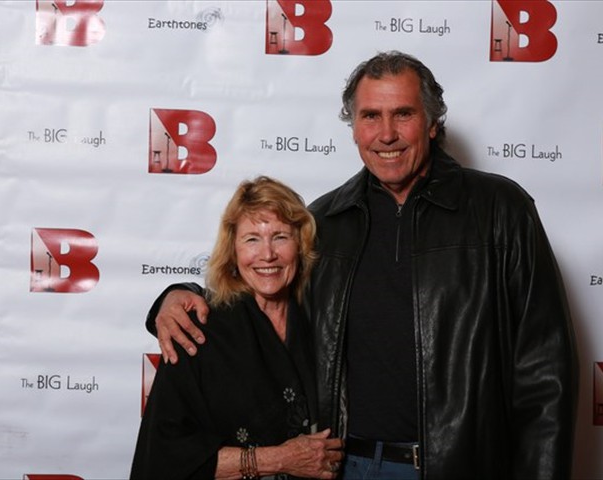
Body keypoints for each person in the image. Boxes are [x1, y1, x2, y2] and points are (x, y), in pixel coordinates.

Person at [145, 51, 579, 480]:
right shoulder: (325, 222)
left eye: (403, 114)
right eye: (371, 116)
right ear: (353, 128)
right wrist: (179, 295)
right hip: (349, 467)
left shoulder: (500, 211)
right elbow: (263, 291)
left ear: (432, 123)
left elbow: (545, 369)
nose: (386, 134)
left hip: (465, 466)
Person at [131, 176, 344, 479]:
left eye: (280, 237)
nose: (267, 254)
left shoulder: (323, 321)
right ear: (233, 250)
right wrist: (278, 459)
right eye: (252, 239)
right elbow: (164, 456)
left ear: (300, 244)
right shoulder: (196, 329)